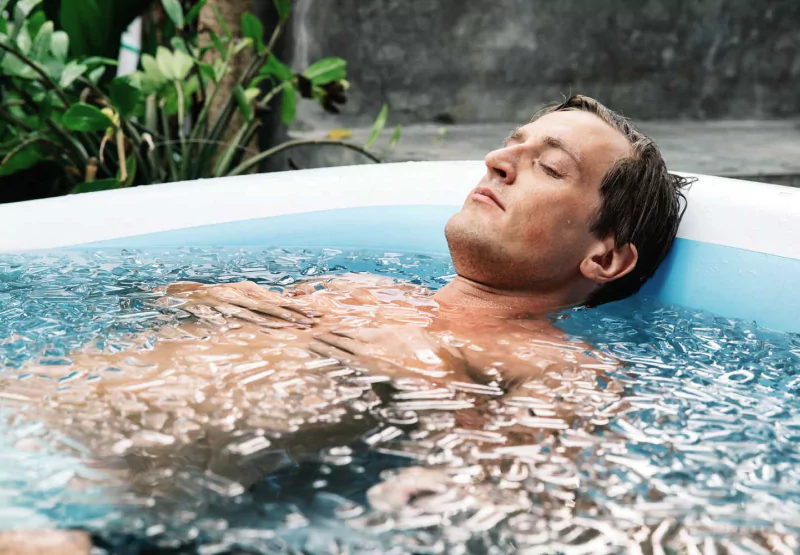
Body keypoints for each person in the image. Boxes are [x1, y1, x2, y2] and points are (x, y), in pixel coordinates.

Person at [3, 95, 690, 510]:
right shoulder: (365, 290)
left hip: (87, 490)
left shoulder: (548, 361)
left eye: (548, 165)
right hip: (28, 406)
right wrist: (208, 301)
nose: (497, 160)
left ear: (604, 256)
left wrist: (425, 379)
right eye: (512, 144)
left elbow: (522, 478)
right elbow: (133, 314)